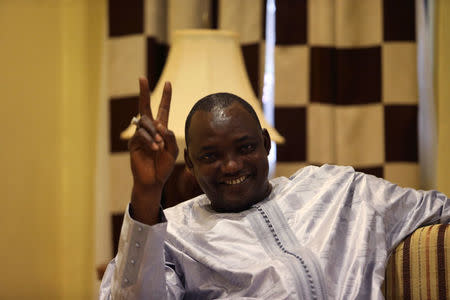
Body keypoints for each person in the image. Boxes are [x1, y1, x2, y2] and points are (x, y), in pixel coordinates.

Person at [100, 78, 449, 299]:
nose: (232, 165)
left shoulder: (338, 190)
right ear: (189, 165)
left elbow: (436, 207)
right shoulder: (175, 235)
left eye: (245, 147)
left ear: (265, 143)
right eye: (210, 155)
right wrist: (146, 193)